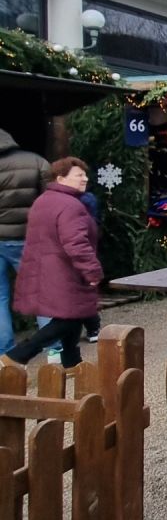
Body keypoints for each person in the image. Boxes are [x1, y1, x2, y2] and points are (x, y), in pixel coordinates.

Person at [1, 158, 102, 371]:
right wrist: (92, 271)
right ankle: (18, 355)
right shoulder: (71, 206)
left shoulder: (44, 200)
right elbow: (76, 243)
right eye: (78, 175)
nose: (85, 178)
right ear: (61, 178)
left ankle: (72, 363)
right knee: (67, 319)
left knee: (73, 316)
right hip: (65, 272)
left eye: (85, 174)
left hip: (49, 269)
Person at [0, 127, 50, 358]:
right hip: (27, 239)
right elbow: (51, 198)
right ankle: (53, 347)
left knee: (0, 296)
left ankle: (5, 351)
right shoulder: (36, 161)